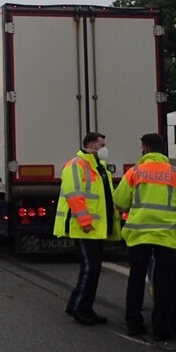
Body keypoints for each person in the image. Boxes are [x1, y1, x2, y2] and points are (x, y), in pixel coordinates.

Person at [113, 133, 176, 341]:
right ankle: (161, 328)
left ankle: (133, 324)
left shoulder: (134, 172)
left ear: (144, 149)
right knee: (164, 282)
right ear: (162, 149)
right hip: (166, 236)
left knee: (137, 280)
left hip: (138, 235)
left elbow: (120, 202)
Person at [54, 132, 122, 325]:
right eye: (102, 145)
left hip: (96, 228)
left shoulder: (99, 169)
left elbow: (107, 198)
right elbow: (74, 195)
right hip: (85, 228)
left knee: (94, 270)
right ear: (91, 145)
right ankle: (77, 307)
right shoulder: (76, 165)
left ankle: (85, 307)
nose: (105, 148)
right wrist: (84, 222)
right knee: (90, 269)